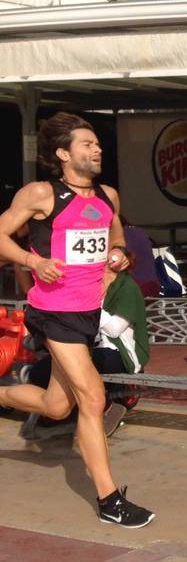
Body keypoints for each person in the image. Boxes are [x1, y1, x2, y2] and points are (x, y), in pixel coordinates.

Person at [0, 112, 154, 528]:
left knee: (56, 405)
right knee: (93, 397)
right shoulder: (41, 194)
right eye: (86, 144)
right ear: (63, 153)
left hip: (88, 313)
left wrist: (119, 256)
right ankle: (109, 499)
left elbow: (117, 236)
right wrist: (34, 260)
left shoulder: (108, 196)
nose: (97, 148)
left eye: (97, 143)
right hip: (53, 312)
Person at [28, 244, 150, 436]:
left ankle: (109, 407)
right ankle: (66, 411)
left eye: (114, 256)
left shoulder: (127, 288)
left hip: (119, 351)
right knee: (40, 372)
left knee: (83, 366)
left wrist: (88, 304)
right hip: (88, 347)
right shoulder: (90, 283)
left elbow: (115, 329)